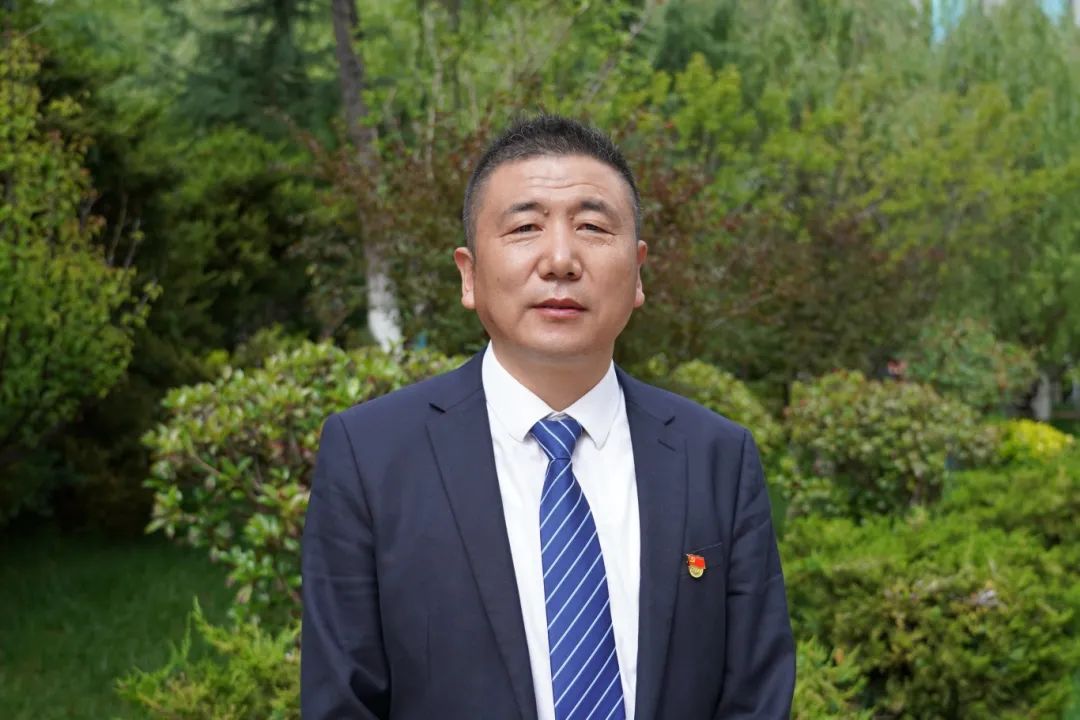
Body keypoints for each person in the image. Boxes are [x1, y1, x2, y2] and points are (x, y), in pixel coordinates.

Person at [300, 115, 795, 720]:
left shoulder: (717, 457)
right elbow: (343, 700)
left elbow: (756, 696)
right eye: (525, 227)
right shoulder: (371, 456)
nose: (560, 260)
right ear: (469, 274)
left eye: (592, 227)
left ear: (638, 272)